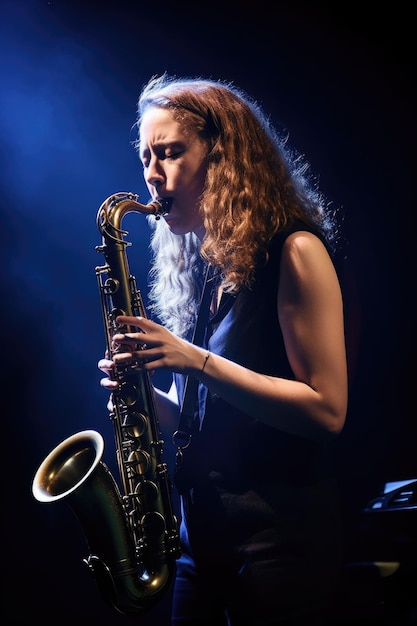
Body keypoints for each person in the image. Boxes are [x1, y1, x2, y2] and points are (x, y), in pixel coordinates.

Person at [98, 73, 348, 626]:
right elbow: (209, 416)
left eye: (169, 153)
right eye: (146, 157)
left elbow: (328, 411)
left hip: (278, 546)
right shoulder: (206, 272)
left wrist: (194, 359)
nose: (152, 175)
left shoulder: (296, 250)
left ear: (224, 156)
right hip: (200, 541)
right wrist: (146, 395)